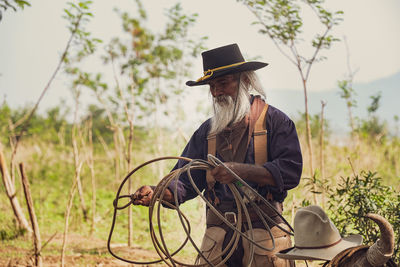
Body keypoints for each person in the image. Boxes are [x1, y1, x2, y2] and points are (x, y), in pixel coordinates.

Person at [132, 43, 303, 267]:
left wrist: (240, 172)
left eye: (222, 83)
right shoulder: (207, 132)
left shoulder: (275, 122)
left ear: (246, 81)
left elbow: (290, 172)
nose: (216, 92)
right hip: (219, 238)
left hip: (265, 236)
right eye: (211, 86)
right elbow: (185, 180)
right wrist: (158, 192)